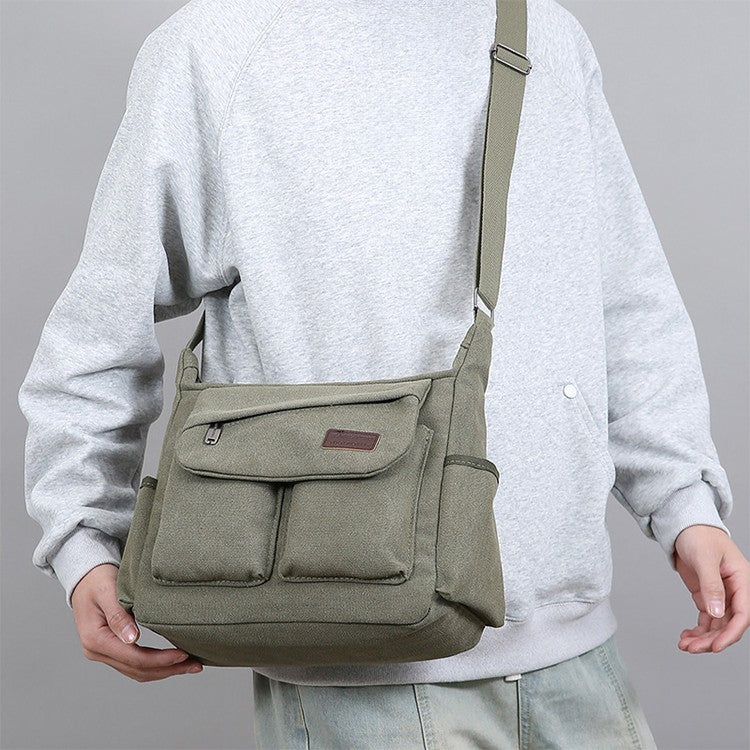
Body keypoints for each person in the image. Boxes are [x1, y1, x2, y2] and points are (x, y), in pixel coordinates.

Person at [17, 0, 748, 747]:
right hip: (362, 665)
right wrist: (83, 540)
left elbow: (622, 297)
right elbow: (99, 328)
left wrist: (684, 503)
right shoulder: (215, 48)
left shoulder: (544, 32)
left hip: (577, 650)